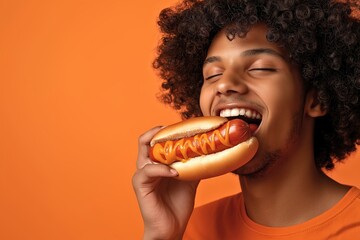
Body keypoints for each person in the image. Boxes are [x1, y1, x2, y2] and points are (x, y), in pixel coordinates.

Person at [132, 0, 360, 239]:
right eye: (213, 74)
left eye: (260, 68)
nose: (225, 84)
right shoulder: (191, 228)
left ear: (317, 100)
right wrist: (160, 234)